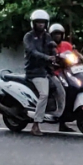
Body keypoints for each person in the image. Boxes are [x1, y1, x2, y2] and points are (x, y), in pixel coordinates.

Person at [23, 9, 57, 137]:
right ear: (33, 23)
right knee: (44, 94)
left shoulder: (47, 36)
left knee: (62, 89)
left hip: (46, 70)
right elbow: (32, 52)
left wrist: (55, 53)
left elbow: (51, 47)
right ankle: (36, 124)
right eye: (38, 22)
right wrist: (47, 58)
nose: (41, 25)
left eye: (43, 22)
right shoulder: (28, 37)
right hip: (34, 71)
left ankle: (62, 120)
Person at [45, 23, 70, 132]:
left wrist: (81, 57)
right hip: (53, 73)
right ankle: (59, 117)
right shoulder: (48, 45)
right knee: (61, 91)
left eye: (59, 34)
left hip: (67, 72)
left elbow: (74, 54)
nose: (57, 36)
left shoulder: (67, 45)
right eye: (55, 34)